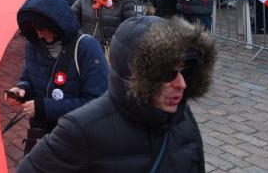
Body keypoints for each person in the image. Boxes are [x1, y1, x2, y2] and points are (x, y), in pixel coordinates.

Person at [18, 16, 214, 173]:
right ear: (136, 75)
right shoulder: (81, 129)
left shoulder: (182, 116)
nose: (182, 84)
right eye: (167, 73)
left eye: (185, 70)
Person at [5, 0, 109, 154]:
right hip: (42, 136)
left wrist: (44, 107)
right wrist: (21, 89)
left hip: (76, 139)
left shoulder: (86, 47)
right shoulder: (33, 45)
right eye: (34, 29)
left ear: (56, 23)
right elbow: (29, 76)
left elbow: (98, 102)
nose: (38, 35)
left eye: (42, 29)